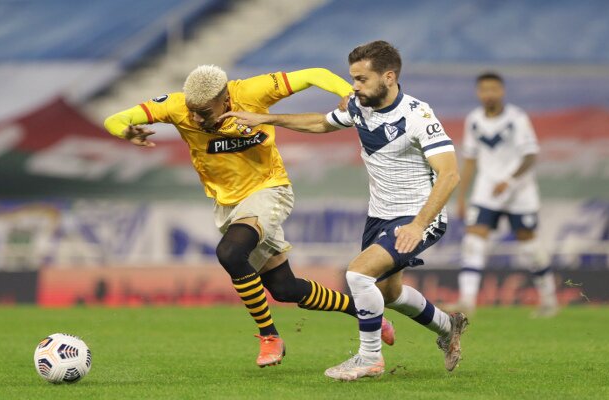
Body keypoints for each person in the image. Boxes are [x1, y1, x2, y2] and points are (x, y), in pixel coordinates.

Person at [103, 65, 395, 368]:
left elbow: (314, 74)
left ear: (225, 99)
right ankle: (367, 313)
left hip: (270, 190)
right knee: (285, 288)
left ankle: (269, 336)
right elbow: (115, 118)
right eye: (192, 112)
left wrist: (347, 93)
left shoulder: (252, 92)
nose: (196, 119)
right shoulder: (176, 106)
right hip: (229, 206)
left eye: (204, 112)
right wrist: (125, 131)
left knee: (230, 252)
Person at [220, 41, 468, 381]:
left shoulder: (417, 116)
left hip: (416, 216)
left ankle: (369, 359)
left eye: (362, 79)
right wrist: (266, 117)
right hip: (380, 214)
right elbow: (322, 123)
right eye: (353, 78)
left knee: (358, 274)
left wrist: (418, 225)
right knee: (389, 294)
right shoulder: (358, 106)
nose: (354, 86)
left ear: (389, 76)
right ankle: (448, 325)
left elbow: (450, 174)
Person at [452, 72, 558, 317]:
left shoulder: (517, 118)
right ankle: (467, 302)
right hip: (486, 192)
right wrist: (461, 197)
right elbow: (469, 160)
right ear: (478, 93)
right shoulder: (474, 120)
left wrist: (509, 180)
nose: (489, 94)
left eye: (494, 89)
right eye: (484, 89)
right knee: (473, 243)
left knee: (529, 247)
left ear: (502, 92)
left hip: (520, 192)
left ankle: (548, 299)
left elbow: (530, 155)